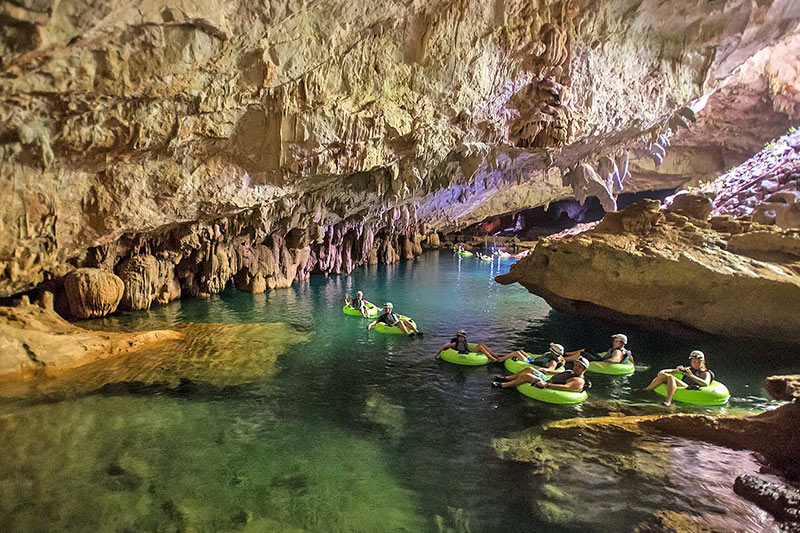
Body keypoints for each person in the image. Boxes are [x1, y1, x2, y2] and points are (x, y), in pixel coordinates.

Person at [642, 350, 713, 406]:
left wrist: (691, 376)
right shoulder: (688, 369)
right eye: (694, 362)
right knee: (664, 376)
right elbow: (673, 371)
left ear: (703, 362)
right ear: (691, 362)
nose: (696, 364)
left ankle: (668, 401)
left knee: (671, 378)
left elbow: (706, 383)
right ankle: (646, 390)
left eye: (698, 362)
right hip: (684, 385)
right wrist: (664, 370)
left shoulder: (705, 373)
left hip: (691, 388)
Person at [492, 356, 589, 392]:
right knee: (530, 369)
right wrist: (548, 371)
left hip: (547, 384)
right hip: (547, 379)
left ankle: (503, 385)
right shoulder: (572, 372)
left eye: (579, 366)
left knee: (528, 376)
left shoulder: (578, 380)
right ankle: (506, 378)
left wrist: (547, 385)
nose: (575, 367)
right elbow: (561, 373)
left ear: (584, 369)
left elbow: (566, 387)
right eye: (575, 365)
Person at [494, 342, 565, 373]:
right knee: (521, 351)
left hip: (531, 363)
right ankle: (501, 357)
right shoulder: (558, 356)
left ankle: (500, 359)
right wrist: (553, 345)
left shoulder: (553, 361)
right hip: (534, 360)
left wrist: (545, 370)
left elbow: (550, 369)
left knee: (517, 353)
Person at [564, 333, 632, 364]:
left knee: (583, 353)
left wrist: (601, 363)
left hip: (600, 361)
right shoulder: (624, 350)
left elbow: (615, 360)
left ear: (621, 343)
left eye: (616, 341)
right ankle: (568, 354)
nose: (614, 342)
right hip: (601, 359)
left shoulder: (617, 351)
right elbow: (631, 359)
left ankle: (564, 359)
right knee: (587, 350)